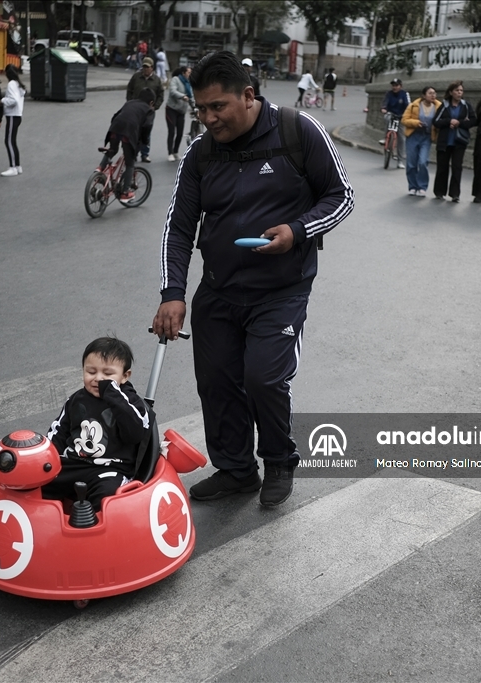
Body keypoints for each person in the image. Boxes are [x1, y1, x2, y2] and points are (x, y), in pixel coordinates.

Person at [152, 52, 354, 508]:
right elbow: (179, 227)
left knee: (263, 377)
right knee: (217, 382)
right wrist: (173, 293)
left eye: (217, 107)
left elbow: (341, 197)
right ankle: (237, 470)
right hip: (219, 290)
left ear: (248, 96)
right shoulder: (201, 152)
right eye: (201, 109)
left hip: (281, 290)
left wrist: (298, 231)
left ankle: (279, 461)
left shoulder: (297, 131)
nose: (207, 119)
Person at [43, 338, 150, 511]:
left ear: (125, 376)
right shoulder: (77, 399)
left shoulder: (130, 403)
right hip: (74, 462)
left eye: (107, 375)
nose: (98, 379)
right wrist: (45, 457)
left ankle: (91, 527)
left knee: (107, 495)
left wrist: (112, 393)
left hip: (110, 468)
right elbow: (58, 432)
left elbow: (135, 433)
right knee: (39, 480)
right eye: (91, 371)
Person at [99, 87, 155, 200]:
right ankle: (125, 192)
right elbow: (147, 126)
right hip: (128, 133)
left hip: (116, 127)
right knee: (130, 163)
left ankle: (100, 169)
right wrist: (145, 141)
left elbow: (115, 115)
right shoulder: (149, 110)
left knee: (113, 149)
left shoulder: (130, 102)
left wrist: (116, 129)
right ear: (151, 102)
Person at [433, 80, 475, 203]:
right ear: (451, 92)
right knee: (442, 168)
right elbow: (436, 121)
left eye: (461, 90)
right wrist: (449, 121)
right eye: (457, 90)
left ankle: (455, 194)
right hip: (445, 142)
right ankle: (439, 192)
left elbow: (473, 121)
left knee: (457, 168)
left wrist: (459, 123)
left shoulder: (466, 106)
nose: (459, 93)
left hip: (459, 142)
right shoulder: (444, 105)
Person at [401, 85, 439, 197]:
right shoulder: (413, 106)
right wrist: (416, 123)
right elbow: (404, 119)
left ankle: (422, 186)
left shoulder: (438, 107)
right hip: (413, 135)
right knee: (411, 163)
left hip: (426, 137)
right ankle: (413, 186)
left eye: (434, 93)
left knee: (423, 162)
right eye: (430, 93)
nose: (433, 95)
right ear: (423, 95)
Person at [126, 57, 163, 162]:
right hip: (136, 110)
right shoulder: (136, 77)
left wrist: (155, 106)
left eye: (147, 67)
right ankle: (133, 153)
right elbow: (129, 89)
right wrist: (129, 103)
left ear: (152, 68)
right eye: (144, 67)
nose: (145, 69)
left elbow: (161, 94)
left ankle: (145, 154)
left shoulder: (156, 80)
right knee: (134, 132)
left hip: (149, 112)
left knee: (146, 132)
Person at [0, 63, 26, 176]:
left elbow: (13, 100)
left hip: (12, 116)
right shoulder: (19, 85)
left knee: (9, 141)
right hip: (17, 115)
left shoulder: (11, 84)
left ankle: (13, 167)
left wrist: (2, 101)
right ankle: (18, 166)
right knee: (12, 141)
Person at [380, 78, 410, 169]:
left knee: (402, 138)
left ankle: (400, 161)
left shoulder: (405, 94)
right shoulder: (388, 94)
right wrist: (383, 108)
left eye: (396, 85)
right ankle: (386, 138)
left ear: (400, 86)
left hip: (401, 116)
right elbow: (385, 103)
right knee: (387, 118)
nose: (394, 87)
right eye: (393, 85)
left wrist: (406, 114)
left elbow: (409, 105)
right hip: (391, 114)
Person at [165, 66, 191, 161]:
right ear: (183, 73)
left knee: (180, 133)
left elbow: (191, 96)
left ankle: (176, 151)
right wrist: (182, 96)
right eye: (188, 72)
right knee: (172, 131)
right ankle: (170, 153)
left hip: (181, 111)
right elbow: (172, 91)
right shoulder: (176, 80)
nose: (190, 74)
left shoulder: (188, 83)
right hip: (171, 109)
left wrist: (196, 107)